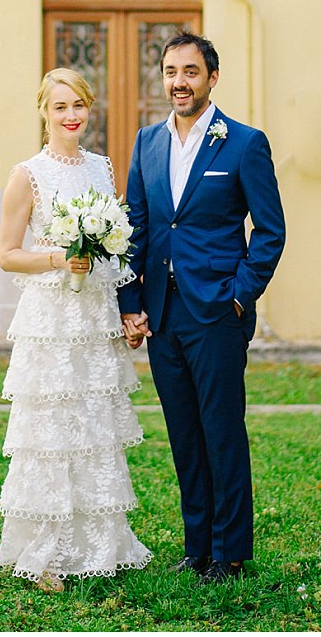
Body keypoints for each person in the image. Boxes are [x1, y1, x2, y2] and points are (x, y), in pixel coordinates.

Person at [118, 33, 286, 584]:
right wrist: (131, 303)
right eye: (170, 71)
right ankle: (197, 548)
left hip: (217, 311)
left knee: (221, 432)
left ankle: (230, 551)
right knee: (185, 435)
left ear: (212, 77)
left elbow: (270, 231)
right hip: (163, 314)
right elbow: (135, 229)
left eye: (190, 71)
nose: (178, 82)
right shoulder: (146, 143)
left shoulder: (243, 143)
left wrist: (240, 294)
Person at [0, 68, 151, 591]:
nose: (71, 115)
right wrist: (60, 258)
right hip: (52, 320)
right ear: (44, 111)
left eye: (79, 105)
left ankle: (99, 544)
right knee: (52, 432)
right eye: (60, 106)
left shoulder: (102, 169)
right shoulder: (27, 174)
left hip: (93, 315)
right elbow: (7, 255)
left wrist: (127, 308)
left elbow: (116, 245)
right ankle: (45, 552)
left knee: (93, 427)